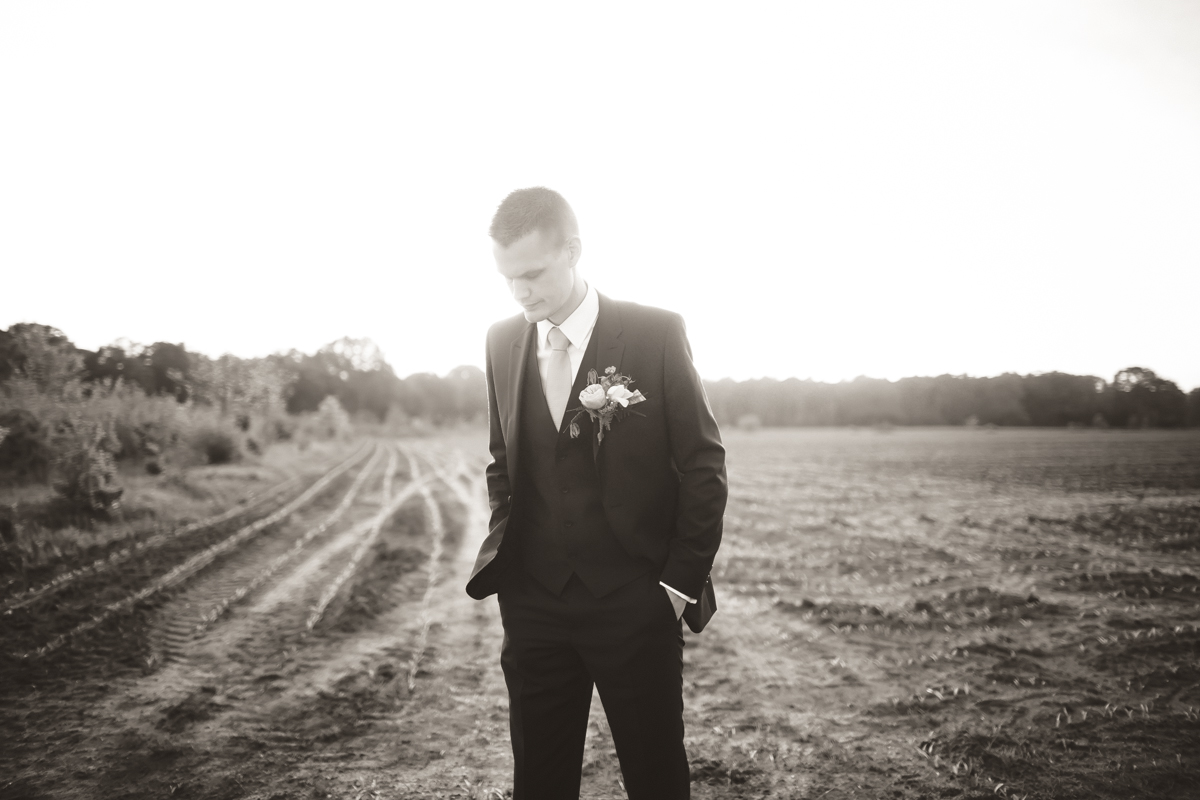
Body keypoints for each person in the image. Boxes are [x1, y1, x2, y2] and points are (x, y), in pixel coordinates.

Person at [466, 186, 727, 800]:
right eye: (507, 279)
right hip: (533, 604)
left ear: (574, 251)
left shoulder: (654, 333)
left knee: (655, 776)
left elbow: (703, 463)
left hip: (635, 602)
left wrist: (676, 584)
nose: (519, 292)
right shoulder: (500, 341)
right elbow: (502, 460)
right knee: (539, 779)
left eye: (532, 274)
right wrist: (514, 570)